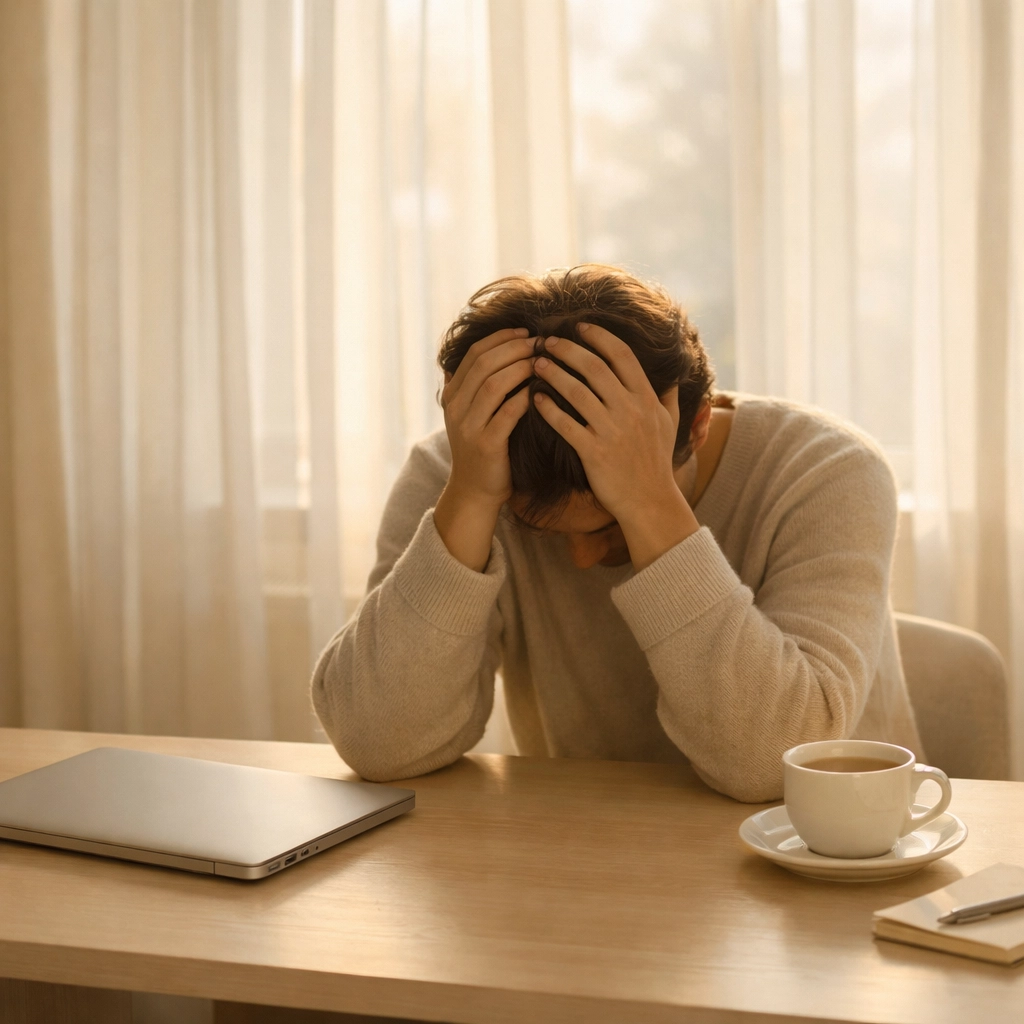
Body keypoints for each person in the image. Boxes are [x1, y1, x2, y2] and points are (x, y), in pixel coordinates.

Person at [311, 265, 923, 801]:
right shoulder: (465, 468)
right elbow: (379, 746)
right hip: (590, 853)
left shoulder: (829, 473)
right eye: (539, 529)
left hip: (823, 863)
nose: (580, 561)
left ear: (698, 425)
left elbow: (775, 766)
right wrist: (471, 499)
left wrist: (648, 504)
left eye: (606, 527)